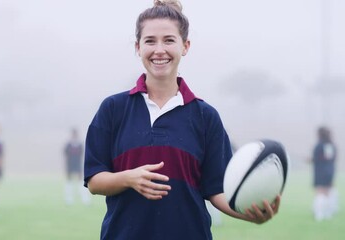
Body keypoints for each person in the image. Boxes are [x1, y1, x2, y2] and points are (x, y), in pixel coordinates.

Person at [83, 1, 280, 239]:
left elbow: (217, 190)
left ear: (185, 46)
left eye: (169, 40)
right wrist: (129, 178)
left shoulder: (205, 116)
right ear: (137, 47)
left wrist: (248, 212)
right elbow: (94, 180)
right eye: (150, 41)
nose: (159, 50)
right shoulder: (113, 109)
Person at [312, 126, 338, 221]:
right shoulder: (331, 145)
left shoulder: (319, 145)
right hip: (330, 171)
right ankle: (327, 213)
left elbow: (316, 158)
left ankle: (319, 214)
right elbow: (331, 158)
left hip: (320, 172)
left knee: (320, 192)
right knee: (327, 192)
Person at [64, 127, 91, 205]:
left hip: (78, 166)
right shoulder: (68, 145)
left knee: (81, 183)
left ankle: (85, 200)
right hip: (70, 166)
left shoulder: (80, 145)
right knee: (69, 183)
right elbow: (65, 156)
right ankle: (69, 200)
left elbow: (83, 155)